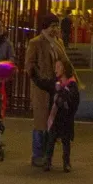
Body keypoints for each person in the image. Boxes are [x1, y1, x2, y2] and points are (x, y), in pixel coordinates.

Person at [24, 13, 66, 167]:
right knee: (40, 122)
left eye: (56, 26)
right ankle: (37, 155)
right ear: (45, 27)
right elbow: (29, 65)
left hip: (56, 88)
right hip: (41, 88)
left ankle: (48, 154)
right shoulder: (36, 43)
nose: (55, 29)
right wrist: (40, 80)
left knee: (52, 122)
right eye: (52, 26)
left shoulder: (58, 42)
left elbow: (64, 62)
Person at [43, 56, 80, 173]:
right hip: (55, 116)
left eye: (58, 67)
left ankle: (66, 162)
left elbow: (74, 101)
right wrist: (34, 75)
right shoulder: (55, 82)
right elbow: (43, 84)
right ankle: (47, 161)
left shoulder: (72, 85)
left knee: (66, 140)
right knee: (51, 139)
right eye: (55, 67)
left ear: (64, 69)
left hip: (66, 117)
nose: (56, 69)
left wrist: (64, 97)